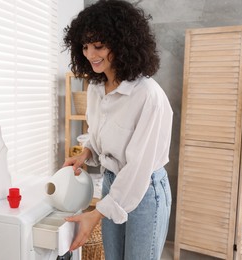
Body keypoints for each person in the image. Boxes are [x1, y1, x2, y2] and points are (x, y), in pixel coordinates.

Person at [62, 0, 173, 259]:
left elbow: (137, 169)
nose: (90, 54)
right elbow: (99, 133)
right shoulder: (96, 89)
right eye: (85, 46)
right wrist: (86, 152)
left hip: (144, 189)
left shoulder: (147, 95)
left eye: (99, 46)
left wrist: (97, 213)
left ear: (122, 43)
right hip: (112, 183)